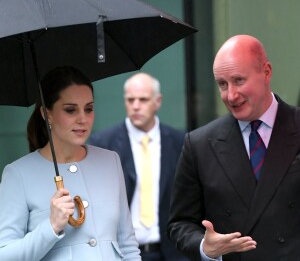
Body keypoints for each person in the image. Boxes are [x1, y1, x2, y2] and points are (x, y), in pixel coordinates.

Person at [167, 34, 300, 261]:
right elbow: (180, 223)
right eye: (222, 84)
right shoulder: (199, 144)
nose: (231, 95)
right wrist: (204, 247)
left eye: (239, 80)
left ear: (266, 72)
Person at [0, 66, 141, 261]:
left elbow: (128, 244)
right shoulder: (18, 174)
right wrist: (51, 227)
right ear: (46, 114)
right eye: (70, 110)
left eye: (89, 109)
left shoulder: (110, 161)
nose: (83, 119)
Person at [89, 72, 188, 261]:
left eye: (143, 99)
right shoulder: (102, 143)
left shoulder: (180, 142)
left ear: (157, 101)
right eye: (130, 100)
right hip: (123, 253)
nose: (135, 106)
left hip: (172, 252)